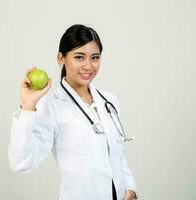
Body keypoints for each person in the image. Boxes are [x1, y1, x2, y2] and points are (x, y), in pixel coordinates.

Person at [8, 24, 138, 200]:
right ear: (61, 58)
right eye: (79, 57)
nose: (88, 66)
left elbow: (117, 154)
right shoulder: (51, 106)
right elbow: (21, 163)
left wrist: (130, 187)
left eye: (95, 57)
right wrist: (27, 105)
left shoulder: (109, 102)